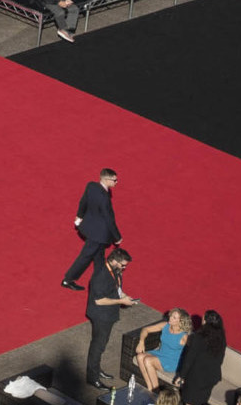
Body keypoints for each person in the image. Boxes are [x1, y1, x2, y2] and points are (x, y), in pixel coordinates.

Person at [84, 248, 135, 390]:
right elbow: (99, 301)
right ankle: (92, 378)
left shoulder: (115, 271)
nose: (124, 268)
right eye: (123, 265)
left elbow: (116, 289)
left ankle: (96, 369)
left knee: (102, 344)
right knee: (97, 346)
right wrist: (121, 302)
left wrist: (124, 296)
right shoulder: (101, 275)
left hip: (109, 315)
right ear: (114, 261)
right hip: (101, 316)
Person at [62, 168, 121, 289]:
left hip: (91, 228)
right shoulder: (104, 198)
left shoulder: (91, 186)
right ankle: (67, 280)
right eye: (115, 180)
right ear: (106, 180)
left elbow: (83, 201)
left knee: (99, 258)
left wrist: (79, 216)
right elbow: (109, 219)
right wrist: (117, 237)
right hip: (98, 235)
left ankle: (101, 281)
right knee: (85, 257)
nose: (116, 182)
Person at [174, 309, 226, 405]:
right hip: (211, 377)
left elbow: (189, 359)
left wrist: (181, 376)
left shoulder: (198, 337)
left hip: (196, 377)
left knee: (189, 401)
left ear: (206, 322)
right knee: (201, 401)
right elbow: (220, 359)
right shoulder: (221, 339)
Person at [133, 309, 191, 394]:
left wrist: (185, 373)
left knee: (148, 360)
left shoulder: (183, 337)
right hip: (160, 353)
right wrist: (141, 342)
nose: (170, 318)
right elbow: (145, 329)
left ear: (181, 322)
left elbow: (192, 352)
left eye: (174, 318)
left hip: (172, 361)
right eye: (171, 315)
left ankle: (156, 391)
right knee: (139, 356)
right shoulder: (165, 325)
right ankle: (149, 388)